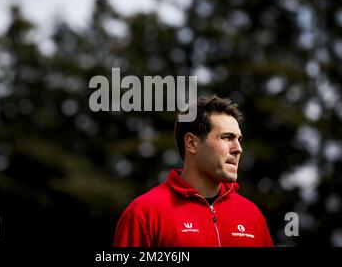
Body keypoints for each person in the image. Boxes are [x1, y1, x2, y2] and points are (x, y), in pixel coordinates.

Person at [113, 95, 273, 247]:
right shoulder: (144, 213)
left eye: (239, 140)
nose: (238, 149)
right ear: (191, 143)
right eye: (227, 138)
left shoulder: (252, 215)